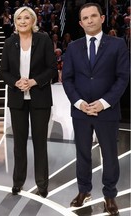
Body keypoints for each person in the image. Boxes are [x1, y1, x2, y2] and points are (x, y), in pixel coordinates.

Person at [62, 3, 130, 215]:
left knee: (110, 155)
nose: (90, 20)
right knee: (82, 154)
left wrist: (104, 102)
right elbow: (67, 79)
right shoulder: (73, 47)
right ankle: (84, 191)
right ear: (80, 23)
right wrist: (79, 103)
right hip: (81, 111)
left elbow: (123, 77)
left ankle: (110, 195)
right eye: (85, 18)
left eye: (93, 16)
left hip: (107, 110)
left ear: (102, 18)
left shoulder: (117, 44)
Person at [0, 6, 57, 197]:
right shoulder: (9, 42)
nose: (22, 21)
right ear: (15, 23)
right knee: (19, 143)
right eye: (19, 19)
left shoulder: (44, 39)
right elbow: (4, 71)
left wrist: (34, 81)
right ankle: (18, 181)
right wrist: (16, 82)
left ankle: (42, 184)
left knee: (40, 143)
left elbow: (51, 69)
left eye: (26, 18)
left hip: (39, 98)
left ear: (33, 21)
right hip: (18, 100)